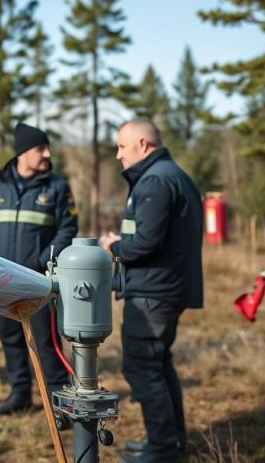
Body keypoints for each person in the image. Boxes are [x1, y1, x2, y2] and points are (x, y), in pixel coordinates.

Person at [100, 118, 203, 463]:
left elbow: (146, 243)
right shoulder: (171, 176)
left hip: (153, 293)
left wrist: (114, 247)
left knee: (142, 367)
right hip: (164, 288)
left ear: (143, 145)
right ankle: (169, 442)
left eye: (122, 147)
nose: (117, 155)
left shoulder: (155, 181)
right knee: (160, 365)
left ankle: (162, 450)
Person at [0, 123, 78, 416]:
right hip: (1, 278)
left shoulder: (57, 186)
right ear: (22, 153)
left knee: (46, 341)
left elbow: (68, 227)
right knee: (9, 336)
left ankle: (60, 403)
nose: (47, 154)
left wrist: (43, 259)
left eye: (47, 148)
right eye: (40, 149)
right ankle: (20, 393)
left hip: (38, 280)